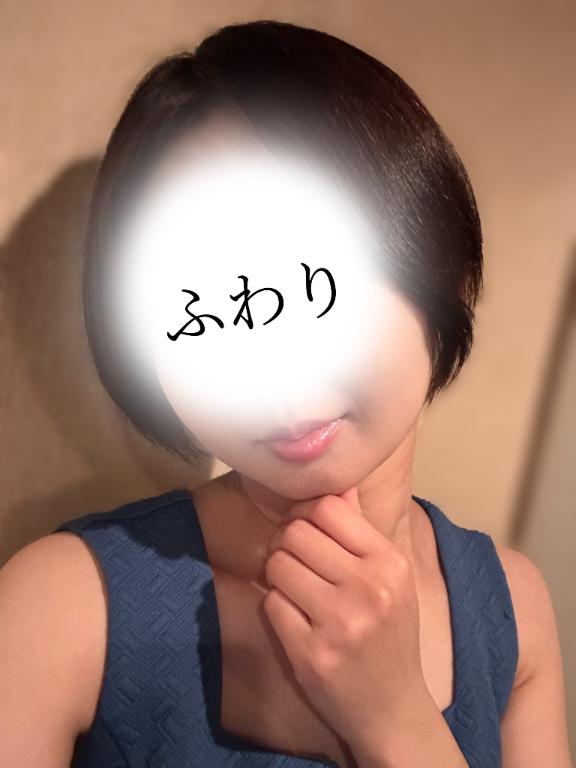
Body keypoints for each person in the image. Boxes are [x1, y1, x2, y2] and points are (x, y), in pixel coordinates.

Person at [0, 19, 571, 768]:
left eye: (317, 283)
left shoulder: (514, 611)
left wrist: (398, 721)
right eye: (206, 305)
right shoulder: (62, 606)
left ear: (445, 272)